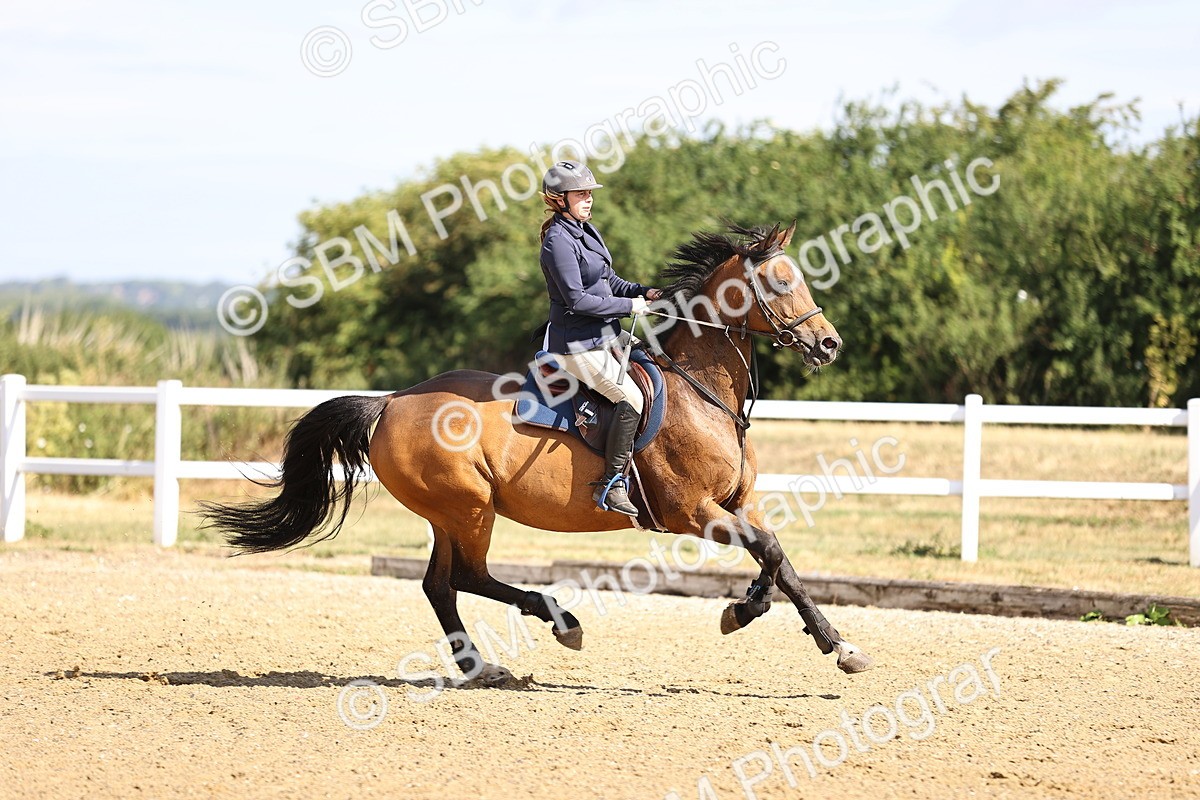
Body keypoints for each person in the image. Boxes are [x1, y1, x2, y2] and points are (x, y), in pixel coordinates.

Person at [538, 160, 663, 517]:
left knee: (658, 363)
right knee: (631, 398)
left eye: (589, 193)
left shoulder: (586, 230)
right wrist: (630, 306)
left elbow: (609, 281)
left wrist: (644, 291)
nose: (588, 199)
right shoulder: (557, 242)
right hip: (576, 345)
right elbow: (578, 300)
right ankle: (612, 483)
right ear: (559, 199)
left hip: (606, 334)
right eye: (580, 194)